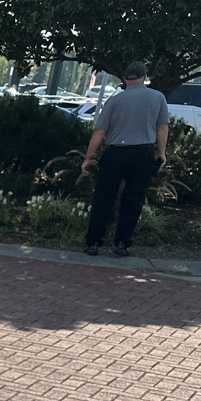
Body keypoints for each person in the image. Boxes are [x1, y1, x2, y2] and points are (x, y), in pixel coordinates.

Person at [81, 61, 170, 256]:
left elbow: (99, 131)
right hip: (143, 153)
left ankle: (93, 242)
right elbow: (162, 127)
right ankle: (122, 243)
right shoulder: (158, 97)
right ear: (144, 77)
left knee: (104, 197)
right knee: (134, 199)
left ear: (125, 79)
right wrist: (161, 153)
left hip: (115, 152)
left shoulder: (114, 100)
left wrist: (88, 157)